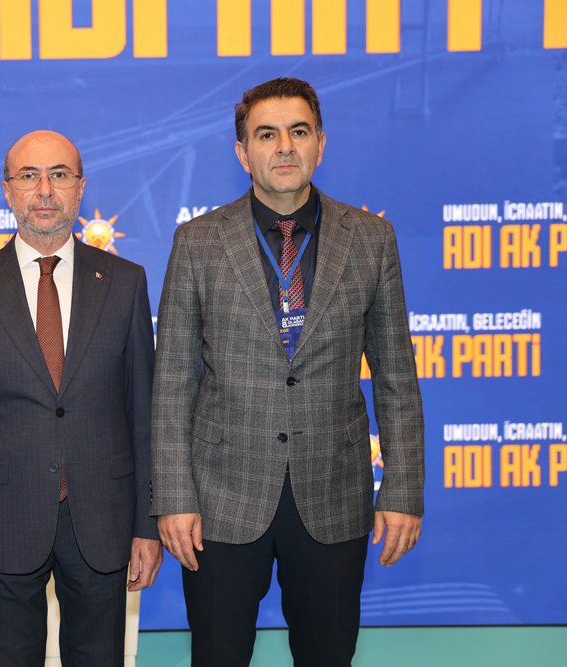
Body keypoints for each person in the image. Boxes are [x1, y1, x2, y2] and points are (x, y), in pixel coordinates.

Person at [151, 77, 425, 667]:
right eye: (266, 134)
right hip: (221, 501)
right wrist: (172, 496)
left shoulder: (371, 239)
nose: (283, 147)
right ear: (242, 151)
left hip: (334, 492)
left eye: (298, 132)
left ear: (320, 144)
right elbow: (172, 380)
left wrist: (403, 489)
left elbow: (396, 377)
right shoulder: (197, 242)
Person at [0, 130, 162, 666]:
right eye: (28, 176)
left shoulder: (125, 283)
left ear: (80, 188)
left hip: (103, 520)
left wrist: (146, 526)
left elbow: (145, 416)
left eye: (59, 175)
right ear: (7, 190)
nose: (44, 190)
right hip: (1, 523)